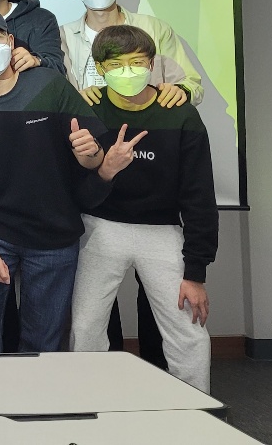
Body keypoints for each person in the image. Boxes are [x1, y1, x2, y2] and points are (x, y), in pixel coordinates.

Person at [0, 5, 129, 353]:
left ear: (10, 41)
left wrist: (91, 153)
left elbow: (92, 158)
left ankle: (39, 391)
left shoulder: (48, 85)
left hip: (54, 236)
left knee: (43, 343)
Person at [60, 0, 204, 366]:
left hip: (156, 180)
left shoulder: (153, 29)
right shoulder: (64, 35)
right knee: (92, 317)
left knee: (163, 306)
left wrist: (178, 91)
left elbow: (190, 83)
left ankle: (160, 379)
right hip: (97, 185)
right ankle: (107, 384)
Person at [70, 25, 218, 393]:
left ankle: (197, 410)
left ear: (152, 64)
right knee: (85, 328)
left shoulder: (180, 114)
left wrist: (196, 271)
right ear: (99, 69)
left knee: (187, 329)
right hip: (100, 228)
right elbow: (73, 190)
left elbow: (199, 196)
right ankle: (89, 404)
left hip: (162, 232)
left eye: (137, 63)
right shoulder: (86, 109)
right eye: (116, 65)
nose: (128, 72)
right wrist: (105, 169)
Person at [61, 0, 202, 107]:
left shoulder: (154, 28)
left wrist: (181, 91)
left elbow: (191, 84)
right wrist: (74, 100)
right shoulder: (62, 37)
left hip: (148, 118)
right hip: (88, 121)